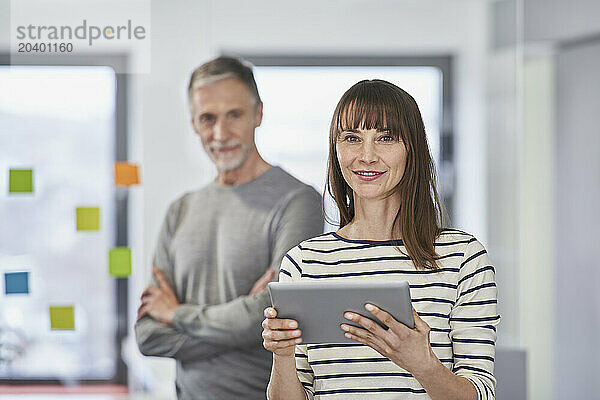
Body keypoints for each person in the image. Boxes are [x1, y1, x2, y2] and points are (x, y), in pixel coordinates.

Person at [262, 79, 499, 399]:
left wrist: (423, 363)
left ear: (411, 149)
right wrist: (283, 354)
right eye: (352, 138)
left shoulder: (463, 258)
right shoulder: (304, 263)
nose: (367, 156)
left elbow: (480, 394)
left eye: (386, 138)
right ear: (336, 150)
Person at [135, 56, 324, 399]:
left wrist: (176, 314)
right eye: (208, 118)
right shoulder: (180, 211)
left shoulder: (298, 201)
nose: (221, 134)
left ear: (258, 114)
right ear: (193, 123)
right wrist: (243, 321)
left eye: (234, 115)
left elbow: (279, 317)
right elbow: (148, 335)